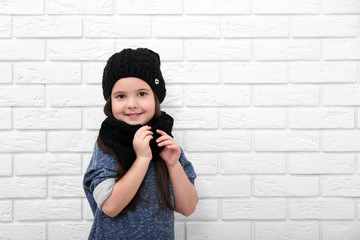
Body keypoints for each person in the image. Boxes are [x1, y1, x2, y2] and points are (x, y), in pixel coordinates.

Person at [83, 48, 198, 239]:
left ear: (156, 97)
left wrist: (173, 164)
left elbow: (187, 208)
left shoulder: (164, 142)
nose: (132, 104)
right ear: (110, 101)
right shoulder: (108, 145)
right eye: (121, 96)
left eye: (142, 94)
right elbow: (110, 207)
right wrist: (142, 159)